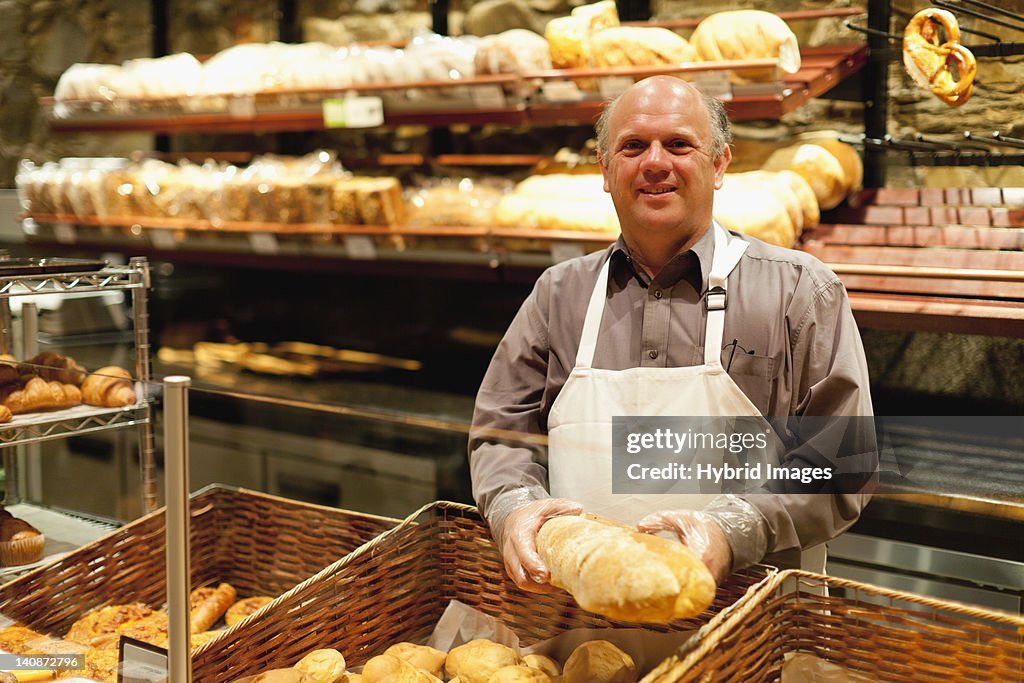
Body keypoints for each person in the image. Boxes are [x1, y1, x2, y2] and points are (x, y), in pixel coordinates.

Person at [469, 75, 874, 593]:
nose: (655, 162)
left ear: (720, 163)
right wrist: (514, 509)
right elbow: (502, 432)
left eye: (679, 144)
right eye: (633, 146)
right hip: (577, 627)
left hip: (751, 624)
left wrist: (734, 532)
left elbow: (842, 462)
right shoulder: (559, 294)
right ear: (605, 168)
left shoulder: (799, 291)